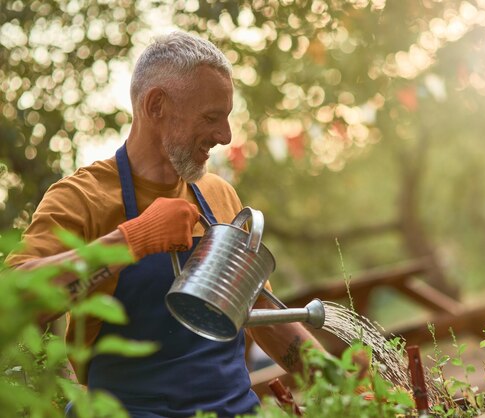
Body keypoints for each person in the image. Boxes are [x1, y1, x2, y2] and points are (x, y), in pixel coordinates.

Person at [6, 31, 324, 418]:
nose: (225, 136)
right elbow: (13, 305)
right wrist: (133, 239)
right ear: (156, 105)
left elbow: (259, 314)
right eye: (211, 118)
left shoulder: (220, 195)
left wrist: (340, 380)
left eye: (226, 119)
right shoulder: (81, 199)